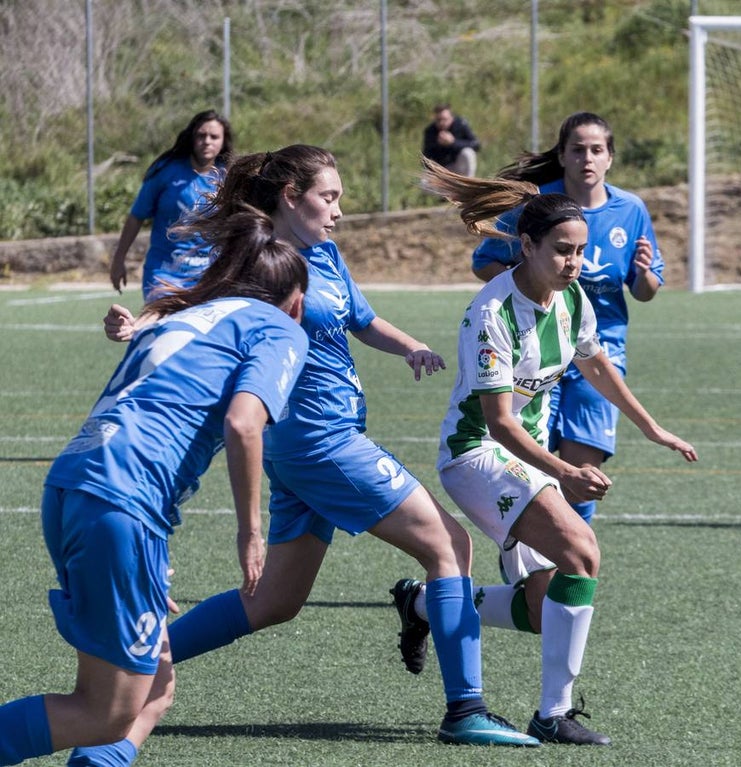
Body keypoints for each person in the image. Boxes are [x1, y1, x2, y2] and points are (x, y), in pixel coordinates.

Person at [93, 144, 538, 755]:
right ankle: (466, 710)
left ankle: (140, 661)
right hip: (318, 441)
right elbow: (198, 305)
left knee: (275, 600)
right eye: (328, 198)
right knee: (449, 545)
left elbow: (360, 317)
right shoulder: (259, 262)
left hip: (313, 444)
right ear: (290, 196)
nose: (337, 211)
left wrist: (409, 346)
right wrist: (138, 325)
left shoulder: (325, 253)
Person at [402, 159, 697, 745]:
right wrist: (568, 470)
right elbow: (500, 423)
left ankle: (424, 607)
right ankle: (552, 714)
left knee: (542, 611)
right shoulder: (492, 313)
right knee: (581, 551)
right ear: (528, 245)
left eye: (581, 251)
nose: (575, 263)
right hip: (477, 455)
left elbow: (595, 363)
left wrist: (651, 427)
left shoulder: (572, 298)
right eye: (563, 250)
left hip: (523, 458)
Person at [0, 211, 310, 766]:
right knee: (105, 712)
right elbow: (243, 424)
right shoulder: (279, 325)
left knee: (155, 686)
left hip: (75, 484)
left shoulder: (188, 316)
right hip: (121, 501)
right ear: (296, 300)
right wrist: (250, 532)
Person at [471, 111, 665, 524]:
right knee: (531, 467)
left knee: (582, 473)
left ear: (610, 158)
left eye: (597, 150)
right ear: (561, 155)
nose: (587, 158)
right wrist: (534, 296)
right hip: (536, 349)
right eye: (577, 150)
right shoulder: (538, 206)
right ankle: (536, 574)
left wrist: (646, 273)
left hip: (601, 349)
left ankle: (569, 567)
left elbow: (645, 291)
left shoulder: (631, 210)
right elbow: (485, 263)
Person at [109, 109, 234, 300]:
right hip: (165, 276)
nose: (207, 141)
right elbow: (136, 217)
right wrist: (119, 259)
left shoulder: (230, 178)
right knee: (166, 328)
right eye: (201, 135)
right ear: (192, 137)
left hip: (210, 277)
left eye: (214, 136)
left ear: (223, 141)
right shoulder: (165, 172)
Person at [422, 103, 481, 178]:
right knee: (424, 181)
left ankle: (469, 182)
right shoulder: (430, 131)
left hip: (459, 166)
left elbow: (476, 145)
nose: (441, 123)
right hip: (441, 169)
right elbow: (425, 158)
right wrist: (438, 144)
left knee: (468, 153)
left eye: (445, 119)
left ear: (451, 117)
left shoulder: (460, 124)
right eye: (438, 120)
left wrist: (453, 142)